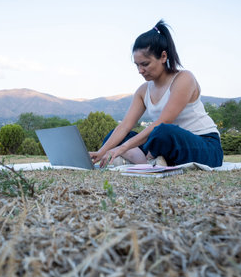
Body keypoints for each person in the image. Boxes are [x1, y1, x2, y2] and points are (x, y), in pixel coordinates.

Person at [89, 20, 223, 168]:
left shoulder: (184, 79)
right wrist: (101, 152)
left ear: (163, 57)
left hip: (204, 145)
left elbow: (164, 121)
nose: (140, 70)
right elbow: (125, 125)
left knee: (162, 131)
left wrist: (122, 148)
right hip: (164, 141)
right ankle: (151, 161)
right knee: (115, 135)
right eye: (137, 65)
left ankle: (141, 159)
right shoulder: (142, 90)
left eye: (145, 64)